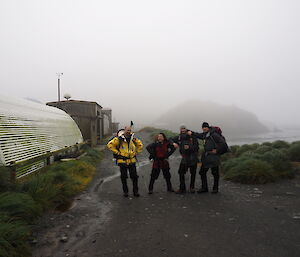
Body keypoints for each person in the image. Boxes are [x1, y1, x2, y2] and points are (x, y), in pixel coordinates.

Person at [188, 122, 226, 194]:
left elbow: (223, 143)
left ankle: (215, 189)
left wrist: (217, 150)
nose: (204, 128)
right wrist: (191, 132)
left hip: (214, 157)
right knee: (202, 172)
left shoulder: (214, 135)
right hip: (206, 156)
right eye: (203, 127)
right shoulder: (204, 135)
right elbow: (198, 135)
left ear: (208, 128)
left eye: (205, 127)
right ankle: (204, 188)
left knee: (215, 173)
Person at [107, 126, 143, 197]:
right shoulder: (119, 139)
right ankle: (125, 192)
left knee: (134, 177)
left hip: (132, 160)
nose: (128, 131)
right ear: (124, 131)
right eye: (127, 130)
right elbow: (110, 145)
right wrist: (117, 153)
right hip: (122, 161)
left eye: (129, 130)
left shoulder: (133, 139)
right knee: (124, 177)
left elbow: (140, 145)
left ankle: (135, 191)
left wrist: (136, 152)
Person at [170, 125, 199, 194]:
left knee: (193, 173)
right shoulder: (179, 137)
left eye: (184, 129)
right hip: (185, 157)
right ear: (180, 130)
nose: (183, 130)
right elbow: (170, 139)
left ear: (186, 129)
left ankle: (192, 187)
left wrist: (189, 148)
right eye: (181, 129)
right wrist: (173, 143)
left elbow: (196, 148)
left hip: (193, 157)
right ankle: (182, 188)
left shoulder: (192, 137)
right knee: (181, 172)